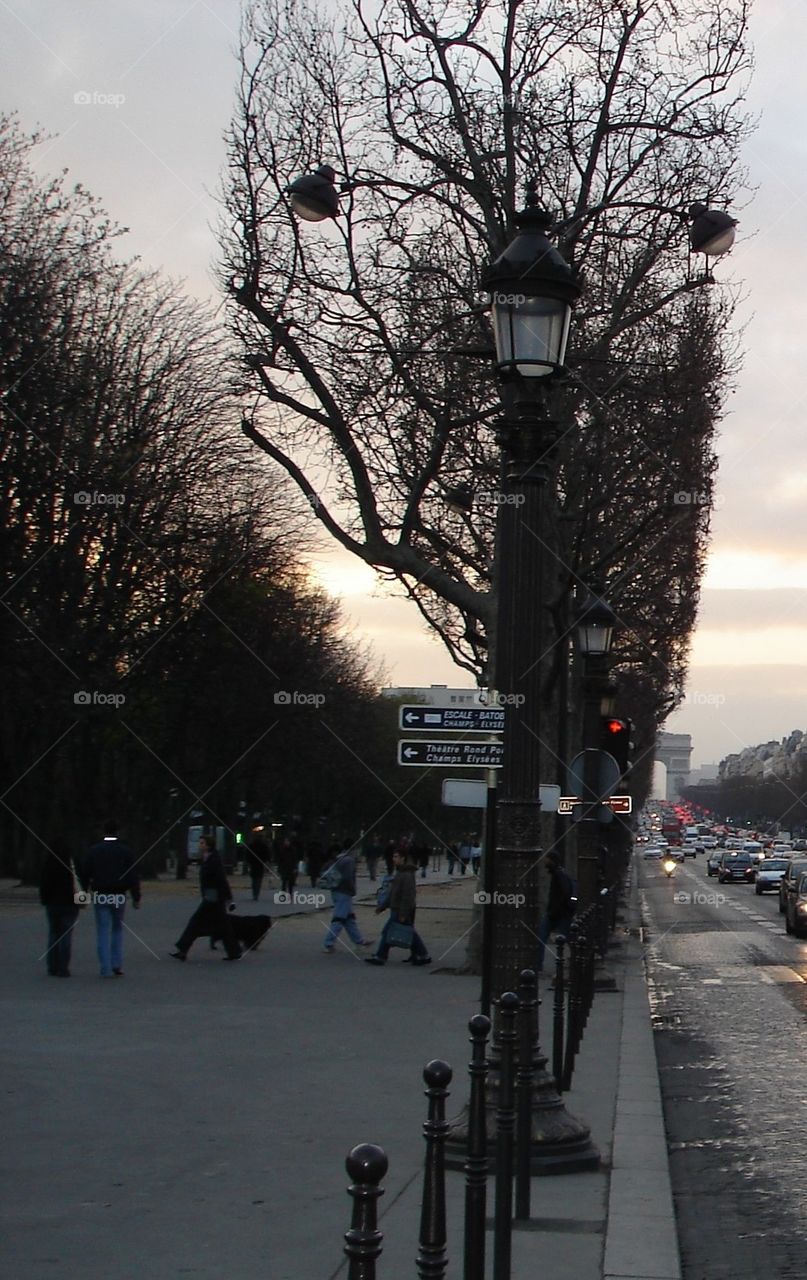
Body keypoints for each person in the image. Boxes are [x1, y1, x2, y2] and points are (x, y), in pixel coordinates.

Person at [80, 821, 141, 978]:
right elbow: (133, 875)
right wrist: (136, 896)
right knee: (117, 929)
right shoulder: (125, 852)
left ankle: (105, 966)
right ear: (118, 832)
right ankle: (116, 963)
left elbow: (85, 873)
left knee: (102, 931)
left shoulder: (94, 851)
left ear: (103, 832)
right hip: (119, 895)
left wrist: (84, 893)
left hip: (101, 893)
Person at [171, 834, 241, 961]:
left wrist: (229, 898)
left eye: (202, 843)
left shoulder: (214, 859)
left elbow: (221, 879)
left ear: (208, 845)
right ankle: (234, 951)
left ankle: (183, 949)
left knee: (196, 922)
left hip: (213, 897)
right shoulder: (207, 858)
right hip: (212, 896)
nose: (200, 845)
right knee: (223, 926)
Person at [365, 847, 431, 966]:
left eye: (396, 856)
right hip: (398, 908)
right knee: (406, 932)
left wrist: (403, 913)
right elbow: (393, 893)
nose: (393, 859)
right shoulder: (401, 872)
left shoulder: (406, 874)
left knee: (390, 931)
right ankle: (422, 954)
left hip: (401, 909)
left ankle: (381, 956)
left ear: (403, 858)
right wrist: (382, 906)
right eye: (393, 856)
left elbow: (407, 895)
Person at [39, 837, 80, 977]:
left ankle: (52, 965)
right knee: (66, 936)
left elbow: (44, 884)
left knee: (53, 934)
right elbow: (80, 883)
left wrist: (44, 900)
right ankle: (63, 967)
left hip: (52, 903)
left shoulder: (48, 864)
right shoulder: (72, 865)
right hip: (70, 904)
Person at [321, 841, 371, 953]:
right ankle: (328, 943)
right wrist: (353, 890)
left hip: (336, 891)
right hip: (344, 892)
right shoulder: (349, 861)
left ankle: (359, 941)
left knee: (349, 918)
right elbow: (348, 878)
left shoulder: (338, 859)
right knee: (339, 919)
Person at [536, 851, 577, 974]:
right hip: (561, 913)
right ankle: (577, 959)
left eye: (547, 860)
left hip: (557, 914)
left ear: (552, 861)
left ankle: (538, 964)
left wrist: (554, 910)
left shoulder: (558, 875)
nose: (545, 862)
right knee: (567, 938)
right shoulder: (560, 873)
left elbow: (564, 893)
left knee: (542, 936)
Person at [244, 831, 271, 902]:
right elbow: (267, 855)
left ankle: (254, 893)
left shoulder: (252, 845)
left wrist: (249, 862)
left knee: (254, 880)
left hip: (253, 865)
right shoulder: (264, 846)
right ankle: (256, 893)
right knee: (258, 880)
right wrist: (266, 862)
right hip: (260, 864)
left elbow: (248, 855)